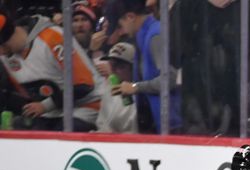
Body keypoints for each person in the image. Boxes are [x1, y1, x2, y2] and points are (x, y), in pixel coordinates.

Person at [0, 6, 102, 131]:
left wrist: (45, 106)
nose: (1, 53)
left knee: (61, 134)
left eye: (3, 47)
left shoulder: (53, 37)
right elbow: (24, 97)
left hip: (87, 106)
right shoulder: (6, 56)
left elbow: (84, 85)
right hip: (50, 113)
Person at [104, 0, 180, 134]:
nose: (121, 32)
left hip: (173, 124)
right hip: (160, 121)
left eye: (120, 25)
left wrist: (135, 87)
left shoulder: (155, 36)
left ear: (130, 17)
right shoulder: (145, 35)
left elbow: (171, 78)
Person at [95, 41, 137, 133]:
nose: (113, 70)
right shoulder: (109, 87)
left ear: (133, 69)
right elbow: (102, 123)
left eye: (120, 66)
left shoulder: (139, 92)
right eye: (111, 64)